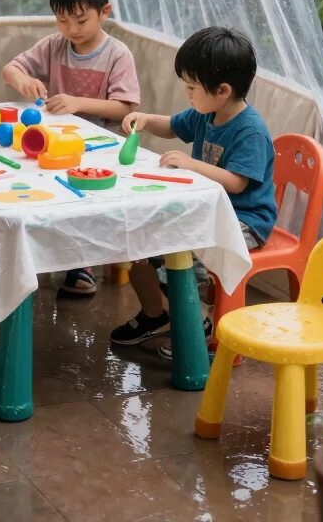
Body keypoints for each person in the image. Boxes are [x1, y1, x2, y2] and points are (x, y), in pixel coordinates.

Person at [110, 26, 277, 354]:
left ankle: (197, 322)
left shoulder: (250, 131)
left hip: (243, 220)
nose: (187, 93)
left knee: (177, 252)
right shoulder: (207, 113)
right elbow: (172, 126)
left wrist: (191, 164)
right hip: (204, 209)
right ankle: (154, 315)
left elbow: (237, 182)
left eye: (191, 87)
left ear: (223, 90)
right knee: (142, 244)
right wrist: (144, 119)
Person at [1, 0, 140, 295]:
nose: (71, 29)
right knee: (31, 180)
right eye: (62, 20)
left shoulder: (117, 55)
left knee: (82, 196)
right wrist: (24, 79)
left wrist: (78, 103)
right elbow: (11, 68)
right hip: (58, 143)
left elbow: (126, 107)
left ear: (104, 12)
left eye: (80, 20)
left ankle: (82, 264)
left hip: (101, 149)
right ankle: (42, 251)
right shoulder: (54, 45)